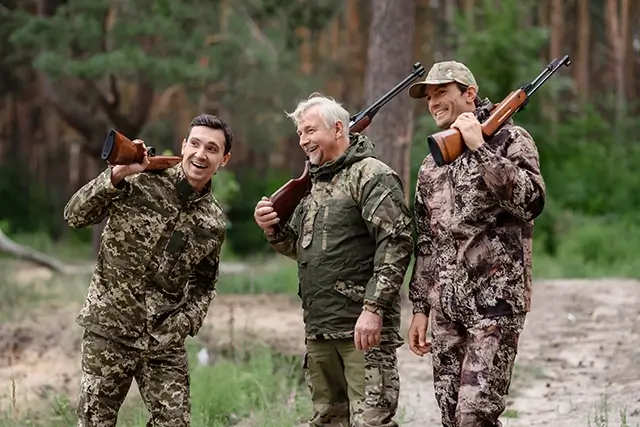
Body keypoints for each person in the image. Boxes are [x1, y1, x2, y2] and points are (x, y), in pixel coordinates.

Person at [253, 93, 413, 427]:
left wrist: (373, 309)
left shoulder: (371, 175)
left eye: (309, 131)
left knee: (371, 423)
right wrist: (272, 230)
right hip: (320, 331)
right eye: (299, 134)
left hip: (362, 331)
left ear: (338, 129)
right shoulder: (313, 186)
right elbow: (301, 247)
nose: (303, 140)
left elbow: (395, 243)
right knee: (328, 420)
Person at [63, 114, 233, 427]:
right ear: (183, 146)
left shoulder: (213, 223)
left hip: (163, 341)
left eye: (212, 148)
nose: (200, 154)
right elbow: (74, 215)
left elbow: (205, 284)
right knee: (95, 421)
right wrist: (116, 176)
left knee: (174, 422)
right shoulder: (141, 179)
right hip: (110, 329)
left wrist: (184, 323)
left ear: (223, 159)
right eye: (194, 143)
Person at [405, 61, 546, 427]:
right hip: (448, 309)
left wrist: (480, 149)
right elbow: (427, 243)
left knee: (475, 416)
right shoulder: (431, 165)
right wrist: (421, 307)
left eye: (442, 93)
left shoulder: (513, 140)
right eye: (430, 96)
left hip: (495, 304)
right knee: (451, 417)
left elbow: (531, 202)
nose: (434, 102)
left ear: (469, 94)